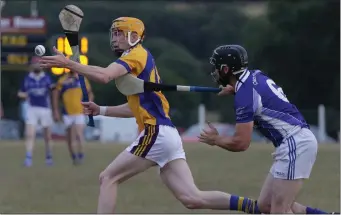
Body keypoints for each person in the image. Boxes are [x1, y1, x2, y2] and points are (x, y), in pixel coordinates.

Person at [40, 17, 264, 214]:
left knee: (108, 178)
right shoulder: (136, 61)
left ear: (134, 36)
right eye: (113, 33)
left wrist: (69, 64)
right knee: (192, 198)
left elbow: (105, 76)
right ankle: (255, 207)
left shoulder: (135, 55)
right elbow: (134, 109)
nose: (114, 38)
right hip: (167, 134)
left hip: (155, 132)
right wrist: (102, 110)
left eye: (120, 33)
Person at [199, 44, 339, 214]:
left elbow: (241, 143)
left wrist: (216, 140)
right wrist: (235, 89)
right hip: (294, 142)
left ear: (226, 69)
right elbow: (257, 93)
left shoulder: (244, 96)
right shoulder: (255, 75)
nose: (215, 72)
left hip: (295, 143)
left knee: (279, 209)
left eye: (217, 68)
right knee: (266, 206)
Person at [17, 56, 54, 167]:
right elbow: (20, 93)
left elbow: (53, 90)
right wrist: (26, 95)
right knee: (29, 134)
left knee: (47, 135)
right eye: (35, 64)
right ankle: (28, 157)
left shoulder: (46, 78)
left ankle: (49, 157)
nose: (37, 65)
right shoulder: (28, 78)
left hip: (45, 108)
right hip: (32, 108)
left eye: (39, 63)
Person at [52, 70, 93, 165]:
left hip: (79, 112)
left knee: (79, 134)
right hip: (67, 113)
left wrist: (88, 105)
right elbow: (55, 95)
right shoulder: (62, 80)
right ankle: (74, 157)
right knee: (69, 138)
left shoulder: (82, 79)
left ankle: (81, 155)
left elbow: (90, 93)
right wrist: (56, 110)